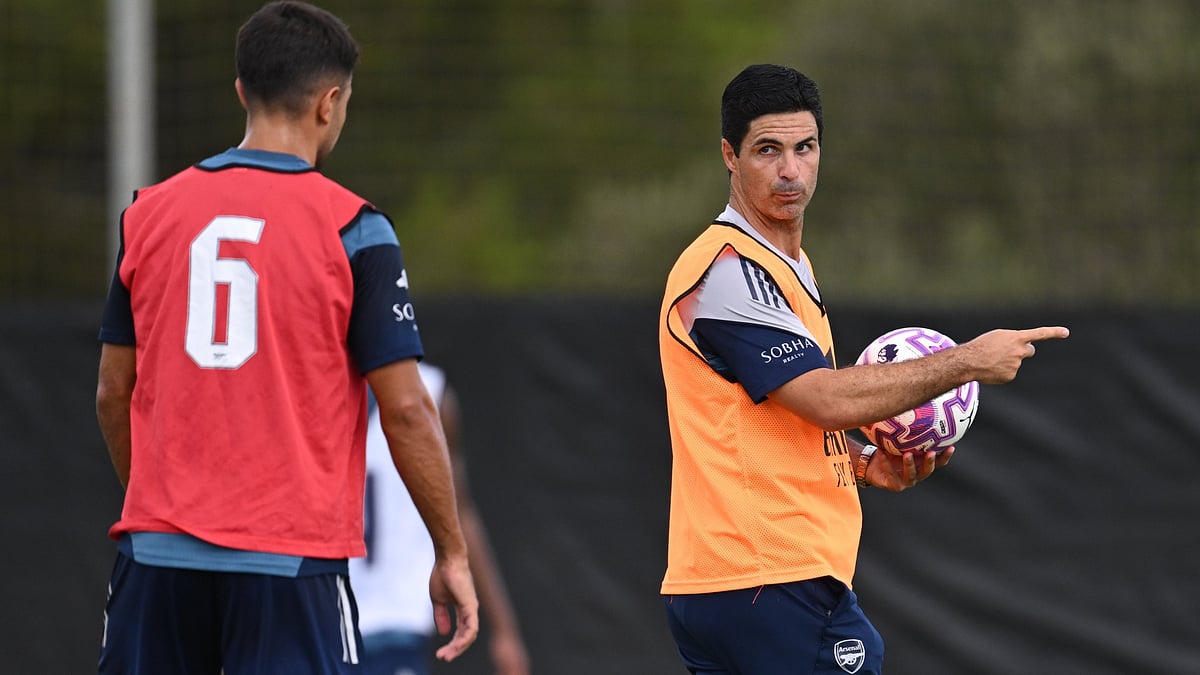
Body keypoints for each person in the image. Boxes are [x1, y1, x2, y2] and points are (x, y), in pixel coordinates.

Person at [93, 2, 477, 673]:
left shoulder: (146, 214)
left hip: (154, 560)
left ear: (242, 90)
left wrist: (160, 509)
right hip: (287, 565)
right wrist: (450, 551)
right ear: (329, 103)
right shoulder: (354, 229)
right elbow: (408, 408)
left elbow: (110, 393)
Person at [657, 63, 1069, 675]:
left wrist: (865, 467)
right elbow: (825, 400)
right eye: (768, 150)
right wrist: (966, 362)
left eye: (806, 147)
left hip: (732, 582)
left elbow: (760, 427)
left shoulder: (780, 264)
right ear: (729, 155)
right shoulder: (726, 271)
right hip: (770, 577)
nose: (791, 170)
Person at [352, 362, 530, 675]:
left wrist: (505, 631)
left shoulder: (432, 390)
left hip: (394, 614)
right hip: (329, 607)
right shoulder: (310, 381)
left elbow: (459, 511)